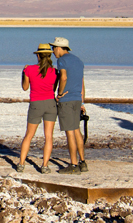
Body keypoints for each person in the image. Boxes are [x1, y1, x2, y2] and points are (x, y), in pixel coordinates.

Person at [16, 43, 58, 174]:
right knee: (49, 136)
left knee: (29, 135)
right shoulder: (54, 71)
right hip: (50, 103)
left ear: (38, 56)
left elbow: (25, 87)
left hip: (36, 103)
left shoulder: (30, 69)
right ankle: (45, 165)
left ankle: (21, 163)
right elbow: (53, 89)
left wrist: (23, 73)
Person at [49, 37, 87, 175]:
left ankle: (73, 164)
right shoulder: (78, 61)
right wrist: (82, 101)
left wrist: (59, 94)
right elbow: (82, 83)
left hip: (67, 100)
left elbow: (63, 77)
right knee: (76, 130)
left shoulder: (62, 60)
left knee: (70, 131)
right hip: (77, 99)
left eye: (54, 48)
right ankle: (82, 162)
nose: (53, 51)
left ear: (59, 48)